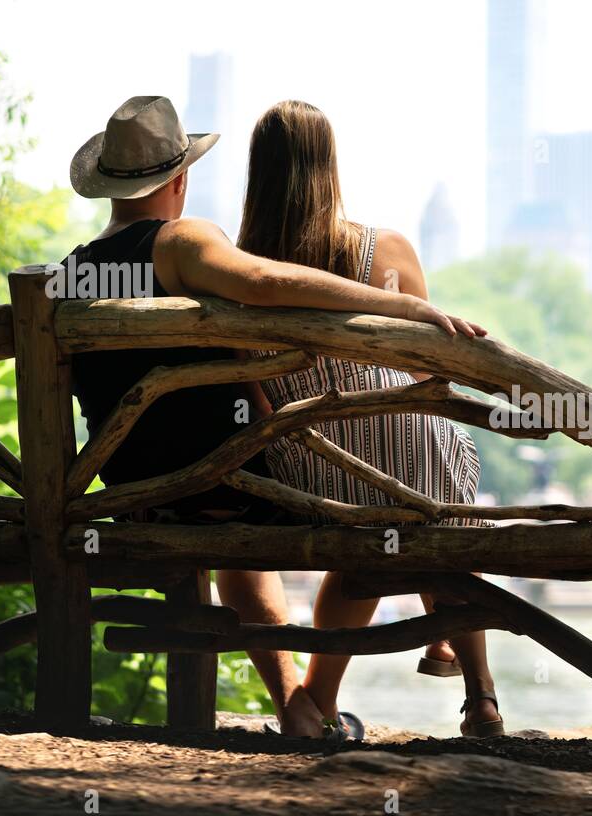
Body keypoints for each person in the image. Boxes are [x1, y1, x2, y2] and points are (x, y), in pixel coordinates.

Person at [64, 96, 483, 738]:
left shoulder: (70, 274)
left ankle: (298, 706)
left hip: (131, 497)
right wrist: (403, 309)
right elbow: (261, 279)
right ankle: (323, 702)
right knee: (367, 504)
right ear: (178, 179)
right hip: (233, 489)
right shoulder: (181, 240)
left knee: (331, 503)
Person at [238, 100, 503, 740]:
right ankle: (480, 698)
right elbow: (426, 373)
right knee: (435, 505)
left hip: (318, 463)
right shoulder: (383, 250)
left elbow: (257, 398)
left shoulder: (236, 268)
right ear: (329, 166)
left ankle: (318, 706)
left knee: (373, 530)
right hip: (415, 459)